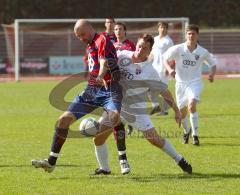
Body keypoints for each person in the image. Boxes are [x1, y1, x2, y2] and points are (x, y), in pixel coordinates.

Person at [91, 34, 192, 175]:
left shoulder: (150, 71)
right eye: (139, 46)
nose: (140, 50)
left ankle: (179, 159)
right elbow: (105, 57)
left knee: (155, 140)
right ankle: (105, 169)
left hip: (136, 111)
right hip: (115, 107)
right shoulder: (121, 55)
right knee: (98, 139)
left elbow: (164, 91)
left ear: (149, 51)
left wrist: (176, 110)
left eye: (144, 48)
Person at [31, 19, 122, 173]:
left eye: (82, 34)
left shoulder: (102, 39)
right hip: (92, 90)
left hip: (110, 89)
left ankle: (123, 146)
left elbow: (104, 61)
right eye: (78, 36)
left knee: (115, 118)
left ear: (90, 28)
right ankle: (51, 161)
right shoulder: (90, 44)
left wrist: (100, 77)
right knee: (63, 120)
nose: (81, 38)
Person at [164, 24, 217, 146]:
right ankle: (186, 131)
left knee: (192, 104)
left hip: (195, 83)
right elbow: (165, 59)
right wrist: (170, 70)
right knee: (182, 113)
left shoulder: (202, 52)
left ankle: (195, 135)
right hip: (180, 84)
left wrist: (212, 74)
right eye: (189, 33)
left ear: (197, 35)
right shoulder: (178, 49)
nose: (191, 36)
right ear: (186, 35)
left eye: (193, 33)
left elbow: (213, 64)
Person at [149, 22, 174, 115]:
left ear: (167, 29)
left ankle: (164, 109)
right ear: (158, 28)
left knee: (162, 90)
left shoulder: (169, 41)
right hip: (153, 68)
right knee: (149, 88)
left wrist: (169, 68)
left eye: (164, 28)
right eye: (161, 27)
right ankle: (156, 106)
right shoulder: (154, 39)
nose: (162, 29)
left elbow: (171, 56)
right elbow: (151, 54)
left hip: (163, 69)